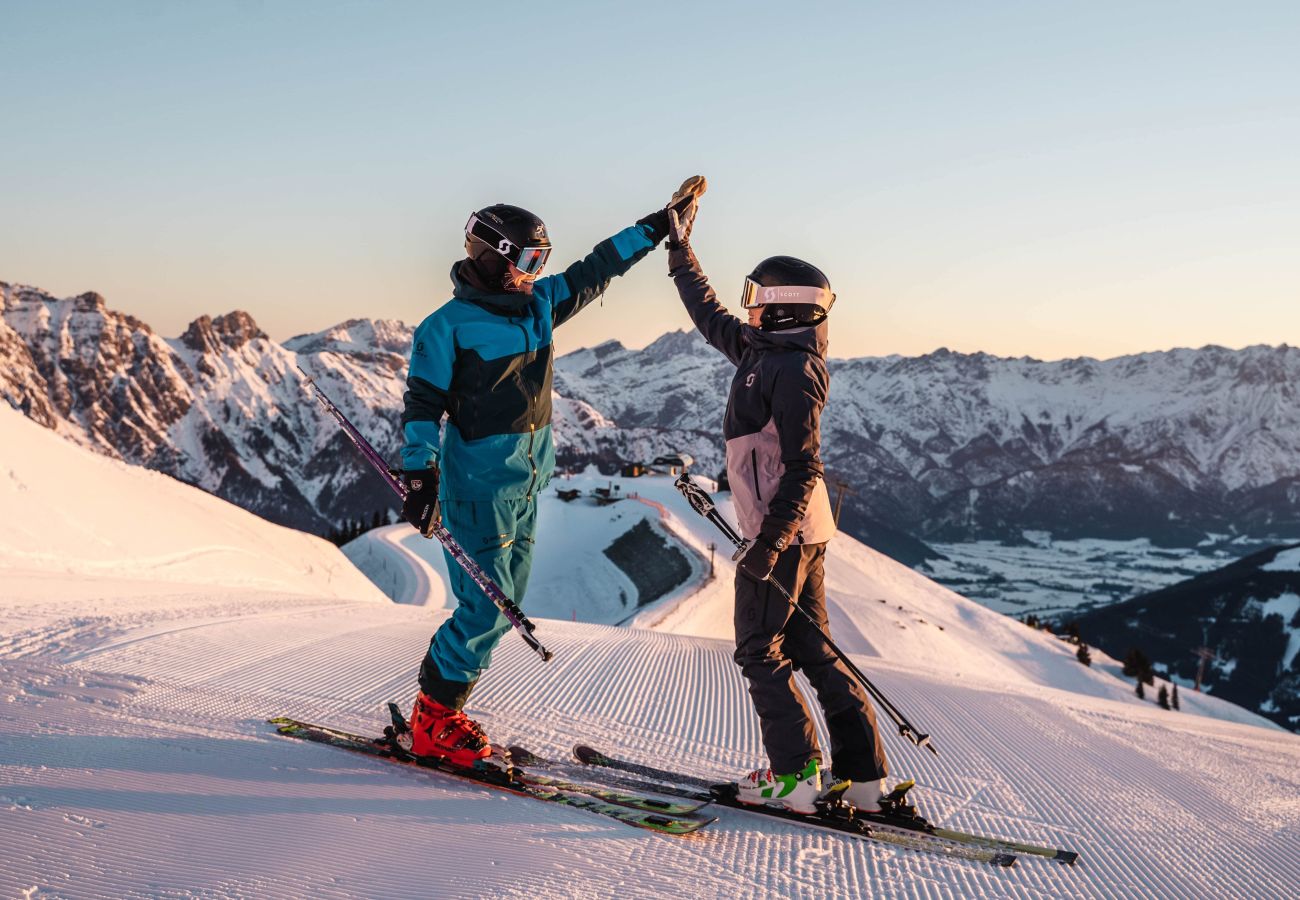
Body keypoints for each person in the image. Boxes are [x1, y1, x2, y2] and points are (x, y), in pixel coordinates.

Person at [398, 187, 698, 769]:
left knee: (505, 601)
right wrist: (419, 474)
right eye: (529, 261)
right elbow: (421, 406)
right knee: (485, 607)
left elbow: (597, 267)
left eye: (542, 261)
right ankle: (435, 716)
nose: (539, 273)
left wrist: (656, 225)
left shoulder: (538, 305)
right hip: (478, 487)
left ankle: (437, 706)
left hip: (527, 484)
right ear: (493, 257)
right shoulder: (447, 327)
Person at [664, 200, 891, 814]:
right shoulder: (763, 352)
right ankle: (863, 781)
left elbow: (803, 466)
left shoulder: (791, 371)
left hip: (784, 532)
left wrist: (768, 544)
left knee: (757, 647)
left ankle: (795, 777)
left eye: (757, 294)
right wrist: (679, 250)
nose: (748, 304)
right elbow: (709, 317)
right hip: (801, 530)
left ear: (787, 305)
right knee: (810, 647)